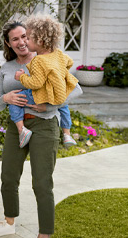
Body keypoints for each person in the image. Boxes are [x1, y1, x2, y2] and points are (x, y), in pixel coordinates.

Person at [0, 18, 81, 238]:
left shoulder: (50, 60)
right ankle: (8, 223)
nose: (22, 42)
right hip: (16, 127)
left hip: (45, 126)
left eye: (25, 36)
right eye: (16, 38)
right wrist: (6, 99)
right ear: (9, 43)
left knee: (41, 182)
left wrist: (49, 103)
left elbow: (75, 90)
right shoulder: (7, 68)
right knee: (8, 176)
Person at [8, 14, 79, 148]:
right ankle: (67, 134)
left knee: (15, 100)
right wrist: (57, 72)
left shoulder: (38, 60)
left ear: (39, 41)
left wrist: (21, 77)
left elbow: (36, 83)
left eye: (28, 38)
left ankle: (21, 130)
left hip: (40, 97)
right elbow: (69, 62)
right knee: (64, 106)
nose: (25, 42)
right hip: (57, 94)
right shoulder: (58, 54)